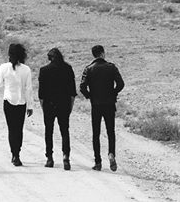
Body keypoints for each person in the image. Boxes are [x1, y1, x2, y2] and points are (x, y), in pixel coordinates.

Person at [79, 44, 125, 172]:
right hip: (109, 103)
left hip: (96, 104)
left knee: (96, 133)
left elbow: (82, 87)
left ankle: (98, 162)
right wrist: (113, 93)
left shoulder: (88, 69)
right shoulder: (111, 67)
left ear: (93, 55)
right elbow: (121, 84)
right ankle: (111, 154)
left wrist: (90, 96)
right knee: (110, 131)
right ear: (103, 53)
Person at [38, 47, 77, 170]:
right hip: (64, 103)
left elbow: (41, 93)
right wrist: (70, 106)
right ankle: (66, 156)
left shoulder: (44, 70)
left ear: (49, 58)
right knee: (64, 131)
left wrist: (43, 107)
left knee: (48, 131)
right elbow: (72, 92)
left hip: (49, 104)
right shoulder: (68, 68)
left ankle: (49, 158)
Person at [0, 42, 34, 166]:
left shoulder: (3, 67)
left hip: (8, 101)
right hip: (21, 102)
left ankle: (14, 154)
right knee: (19, 129)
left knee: (11, 129)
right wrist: (30, 106)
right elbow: (28, 89)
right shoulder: (26, 69)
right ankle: (17, 153)